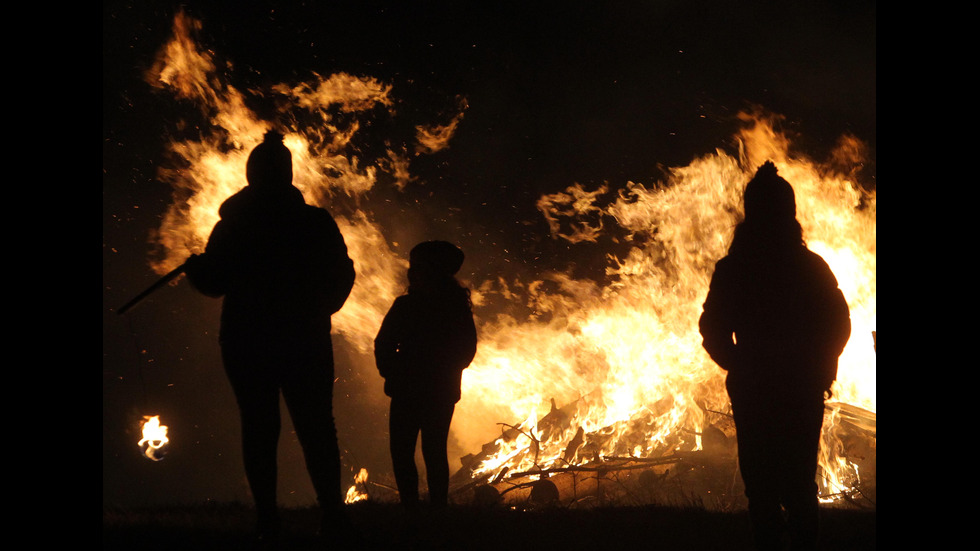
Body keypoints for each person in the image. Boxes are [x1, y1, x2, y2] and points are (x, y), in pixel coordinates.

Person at [183, 130, 356, 541]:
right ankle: (332, 514)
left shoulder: (234, 226)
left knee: (259, 427)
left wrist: (197, 269)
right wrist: (320, 309)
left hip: (247, 340)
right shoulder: (314, 222)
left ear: (252, 174)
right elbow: (343, 273)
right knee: (317, 426)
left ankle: (268, 519)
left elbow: (216, 282)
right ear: (288, 174)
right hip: (303, 338)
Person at [699, 161, 850, 551]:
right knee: (800, 484)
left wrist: (739, 365)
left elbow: (712, 328)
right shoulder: (810, 267)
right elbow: (838, 325)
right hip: (799, 386)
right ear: (790, 214)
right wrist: (821, 370)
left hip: (757, 388)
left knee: (762, 486)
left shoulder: (734, 269)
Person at [374, 241, 477, 508]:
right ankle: (436, 508)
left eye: (417, 267)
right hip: (436, 390)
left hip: (411, 389)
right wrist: (446, 372)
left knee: (405, 450)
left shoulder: (408, 306)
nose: (411, 272)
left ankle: (414, 507)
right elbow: (467, 350)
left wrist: (394, 374)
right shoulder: (455, 307)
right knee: (432, 450)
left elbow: (384, 344)